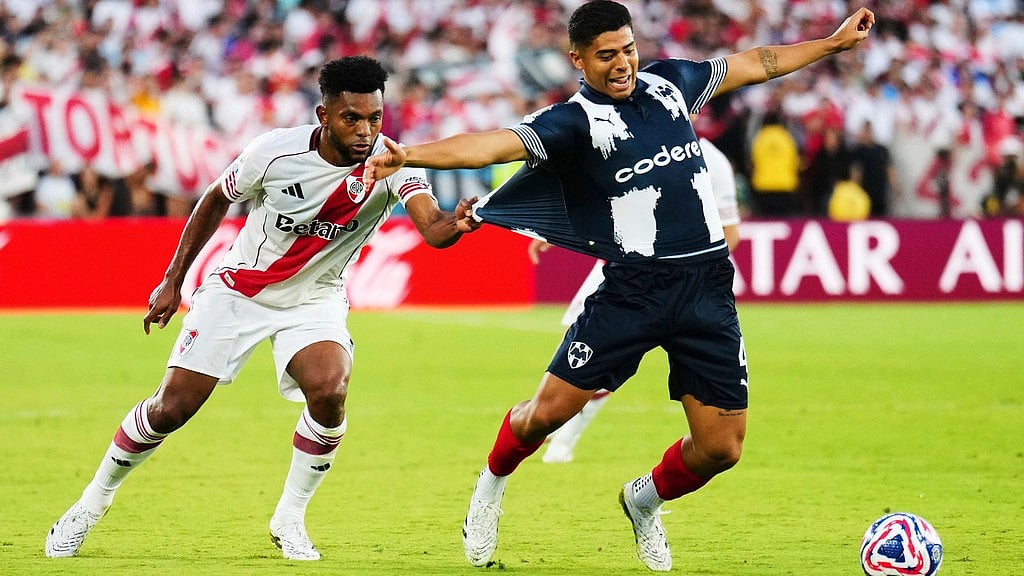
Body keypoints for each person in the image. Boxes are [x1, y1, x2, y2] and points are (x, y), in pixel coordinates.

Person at [365, 2, 874, 571]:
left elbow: (758, 61)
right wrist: (409, 154)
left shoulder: (672, 84)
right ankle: (490, 485)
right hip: (632, 290)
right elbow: (494, 145)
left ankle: (644, 501)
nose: (623, 63)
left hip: (706, 286)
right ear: (578, 61)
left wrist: (831, 44)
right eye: (607, 55)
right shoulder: (572, 123)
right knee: (543, 417)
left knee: (721, 448)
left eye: (628, 49)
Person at [45, 56, 480, 561]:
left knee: (330, 390)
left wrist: (459, 224)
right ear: (324, 115)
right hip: (239, 291)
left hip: (314, 299)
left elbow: (432, 229)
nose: (366, 132)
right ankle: (90, 503)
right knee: (173, 407)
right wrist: (172, 280)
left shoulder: (390, 163)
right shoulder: (274, 153)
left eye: (375, 118)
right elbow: (214, 198)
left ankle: (289, 518)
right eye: (352, 118)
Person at [535, 135, 742, 464]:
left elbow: (730, 232)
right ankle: (555, 422)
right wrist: (556, 229)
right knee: (580, 352)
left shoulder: (711, 160)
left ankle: (563, 436)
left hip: (682, 287)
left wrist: (690, 273)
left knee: (603, 361)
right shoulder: (630, 142)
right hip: (622, 271)